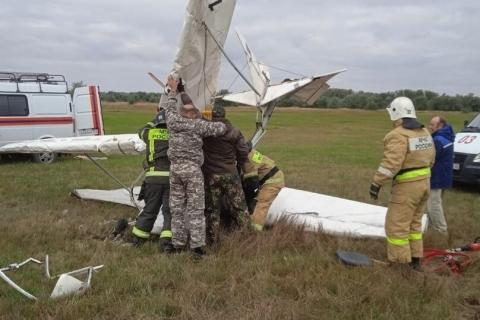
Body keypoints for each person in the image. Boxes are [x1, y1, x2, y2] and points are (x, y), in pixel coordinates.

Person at [164, 74, 227, 258]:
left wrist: (174, 91)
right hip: (192, 171)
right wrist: (210, 119)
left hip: (175, 171)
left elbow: (170, 107)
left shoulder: (173, 122)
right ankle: (197, 249)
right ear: (194, 114)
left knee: (176, 210)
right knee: (196, 210)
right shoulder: (199, 125)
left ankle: (177, 245)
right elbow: (221, 129)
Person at [369, 97, 435, 270]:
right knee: (414, 224)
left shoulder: (397, 135)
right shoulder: (425, 133)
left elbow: (391, 164)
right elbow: (432, 159)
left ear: (395, 113)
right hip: (425, 184)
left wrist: (376, 183)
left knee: (396, 226)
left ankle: (399, 266)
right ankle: (415, 260)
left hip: (408, 187)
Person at [202, 104, 250, 244]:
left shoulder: (207, 131)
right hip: (230, 174)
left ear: (212, 116)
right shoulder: (235, 131)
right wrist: (241, 165)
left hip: (211, 175)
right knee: (240, 207)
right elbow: (243, 152)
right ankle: (248, 237)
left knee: (212, 209)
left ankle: (212, 241)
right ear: (224, 115)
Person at [131, 109, 173, 252]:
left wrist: (153, 121)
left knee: (149, 210)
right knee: (169, 212)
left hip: (153, 179)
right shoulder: (175, 135)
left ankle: (138, 240)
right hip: (170, 179)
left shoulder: (149, 133)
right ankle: (166, 244)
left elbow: (141, 130)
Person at [242, 147, 285, 231]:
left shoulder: (247, 159)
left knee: (261, 205)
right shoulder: (251, 152)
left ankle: (254, 232)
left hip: (273, 181)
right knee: (253, 203)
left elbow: (251, 184)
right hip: (269, 177)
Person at [427, 116, 455, 234]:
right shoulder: (447, 136)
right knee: (436, 202)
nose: (430, 127)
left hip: (437, 176)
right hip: (444, 175)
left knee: (433, 205)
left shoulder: (438, 139)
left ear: (440, 126)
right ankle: (432, 226)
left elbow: (431, 159)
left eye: (432, 125)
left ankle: (441, 230)